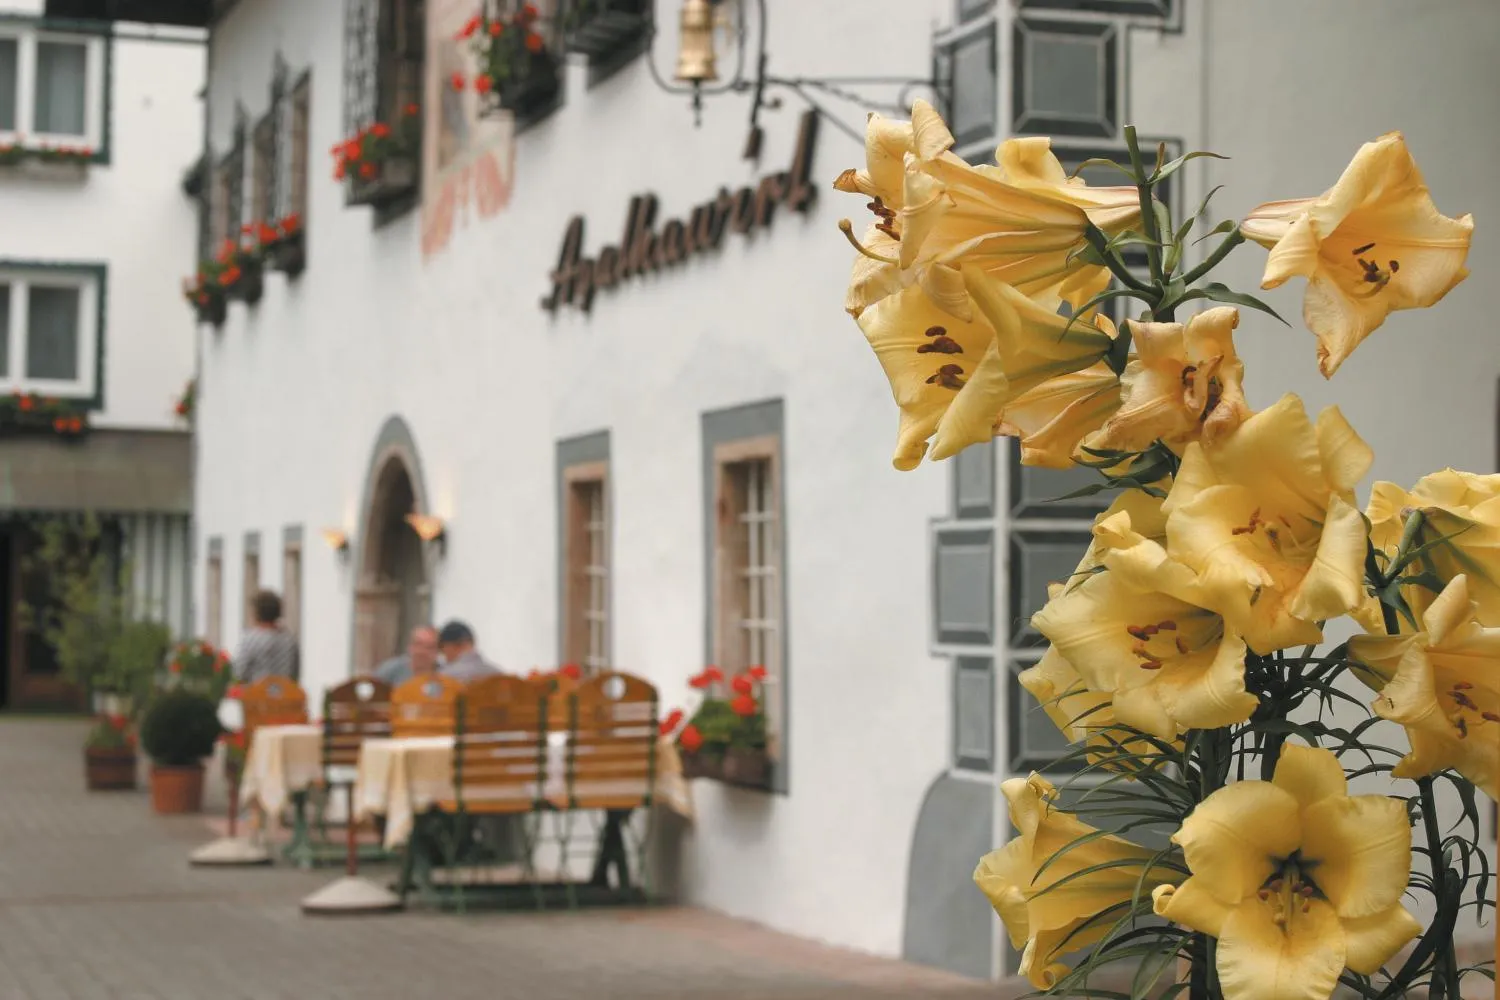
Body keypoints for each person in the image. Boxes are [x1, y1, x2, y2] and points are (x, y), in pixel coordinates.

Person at [233, 590, 300, 684]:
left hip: (256, 695)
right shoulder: (290, 641)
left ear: (256, 613)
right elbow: (295, 673)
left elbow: (239, 672)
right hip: (284, 695)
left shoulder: (249, 639)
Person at [373, 625, 440, 687]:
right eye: (418, 644)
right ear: (409, 646)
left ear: (437, 651)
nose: (422, 651)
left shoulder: (444, 675)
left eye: (430, 647)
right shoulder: (390, 669)